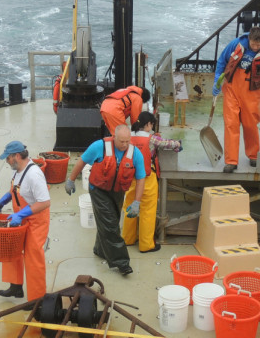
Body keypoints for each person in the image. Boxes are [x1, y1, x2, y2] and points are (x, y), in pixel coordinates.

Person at [64, 125, 147, 275]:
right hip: (99, 190)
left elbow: (141, 178)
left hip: (118, 192)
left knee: (111, 221)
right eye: (121, 141)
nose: (125, 145)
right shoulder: (99, 146)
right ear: (114, 137)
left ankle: (100, 249)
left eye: (127, 141)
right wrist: (70, 180)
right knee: (110, 225)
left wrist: (137, 202)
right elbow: (81, 162)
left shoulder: (135, 154)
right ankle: (121, 262)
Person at [213, 26, 260, 173]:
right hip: (232, 89)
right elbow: (222, 61)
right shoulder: (235, 45)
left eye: (258, 45)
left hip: (251, 93)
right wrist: (217, 80)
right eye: (253, 44)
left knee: (250, 124)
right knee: (231, 124)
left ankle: (253, 155)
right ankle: (231, 161)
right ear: (249, 39)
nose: (255, 47)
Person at [0, 140, 51, 300]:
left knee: (33, 258)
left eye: (8, 158)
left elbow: (44, 202)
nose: (6, 161)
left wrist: (20, 215)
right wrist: (2, 201)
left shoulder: (34, 175)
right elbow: (15, 190)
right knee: (11, 249)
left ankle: (37, 299)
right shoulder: (17, 170)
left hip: (36, 221)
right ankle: (15, 287)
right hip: (21, 218)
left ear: (17, 156)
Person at [122, 112, 182, 253]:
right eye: (151, 125)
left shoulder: (128, 136)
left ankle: (127, 238)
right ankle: (146, 244)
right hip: (147, 179)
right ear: (148, 124)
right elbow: (166, 144)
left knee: (129, 207)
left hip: (130, 178)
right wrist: (178, 144)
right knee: (147, 211)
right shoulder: (152, 139)